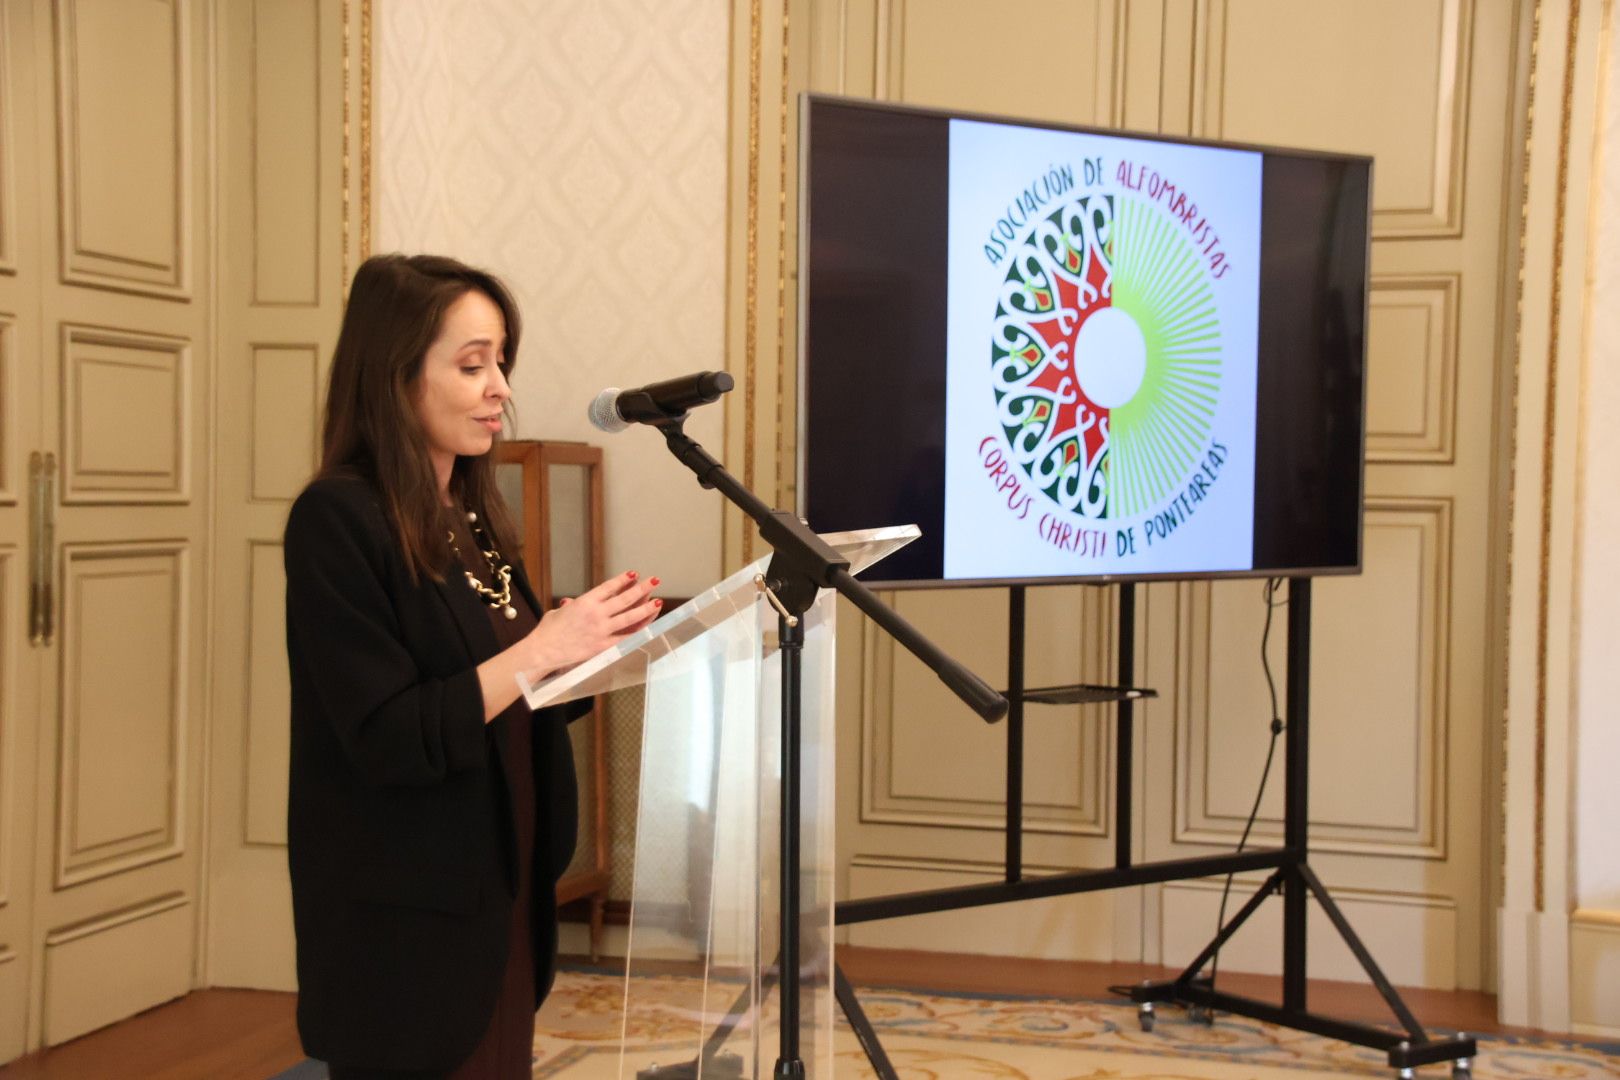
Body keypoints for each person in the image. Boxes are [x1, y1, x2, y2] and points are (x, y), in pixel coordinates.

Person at [283, 253, 661, 1078]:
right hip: (406, 914)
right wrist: (540, 653)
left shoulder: (470, 514)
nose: (499, 388)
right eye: (471, 365)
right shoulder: (336, 520)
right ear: (393, 376)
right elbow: (387, 734)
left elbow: (511, 696)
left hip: (499, 886)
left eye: (501, 363)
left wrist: (606, 654)